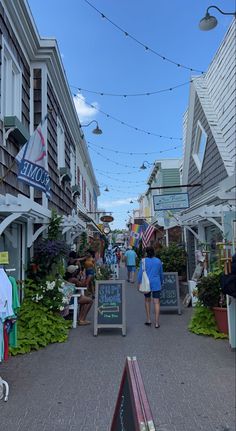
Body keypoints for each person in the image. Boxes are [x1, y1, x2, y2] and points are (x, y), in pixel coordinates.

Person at [138, 246, 163, 328]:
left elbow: (140, 273)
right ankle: (157, 322)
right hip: (156, 283)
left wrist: (139, 282)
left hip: (146, 283)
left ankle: (148, 319)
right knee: (156, 302)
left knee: (147, 301)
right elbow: (161, 273)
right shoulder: (158, 261)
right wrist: (161, 282)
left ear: (146, 253)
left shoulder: (143, 261)